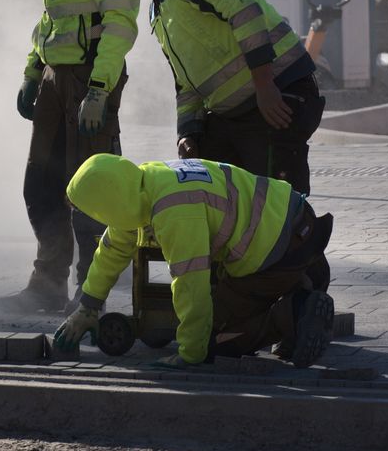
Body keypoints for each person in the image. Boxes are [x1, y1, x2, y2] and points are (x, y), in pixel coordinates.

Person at [0, 0, 140, 315]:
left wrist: (99, 88)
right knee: (40, 182)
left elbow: (119, 22)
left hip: (87, 76)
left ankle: (90, 292)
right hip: (57, 78)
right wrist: (33, 71)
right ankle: (46, 285)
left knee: (91, 187)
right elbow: (51, 19)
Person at [114, 0, 325, 196]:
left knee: (276, 209)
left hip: (276, 94)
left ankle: (299, 241)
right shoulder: (158, 3)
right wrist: (189, 132)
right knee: (223, 204)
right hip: (237, 112)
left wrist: (264, 86)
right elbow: (185, 80)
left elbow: (244, 10)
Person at [54, 153, 335, 369]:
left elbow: (191, 284)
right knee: (215, 304)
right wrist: (88, 307)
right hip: (295, 218)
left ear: (108, 203)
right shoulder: (146, 182)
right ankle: (307, 278)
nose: (97, 219)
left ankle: (297, 312)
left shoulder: (174, 211)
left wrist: (190, 353)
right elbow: (112, 250)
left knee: (215, 336)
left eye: (94, 212)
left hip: (278, 252)